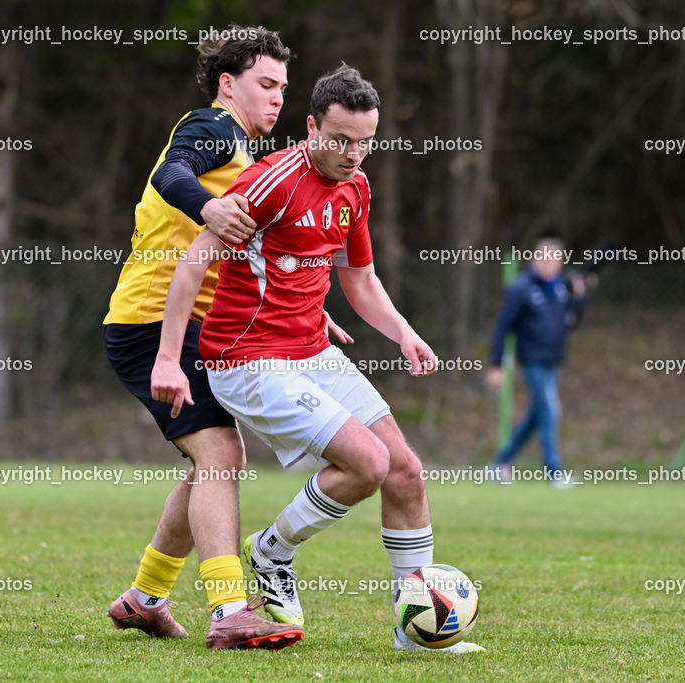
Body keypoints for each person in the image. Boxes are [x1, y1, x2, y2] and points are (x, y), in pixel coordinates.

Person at [151, 64, 483, 653]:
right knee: (368, 464)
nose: (352, 154)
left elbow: (360, 280)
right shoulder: (271, 181)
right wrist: (169, 360)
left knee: (405, 472)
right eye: (340, 140)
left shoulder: (356, 187)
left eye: (365, 142)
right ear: (311, 127)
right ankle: (272, 550)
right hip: (246, 359)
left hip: (311, 351)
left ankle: (416, 633)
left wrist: (404, 334)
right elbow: (194, 262)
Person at [103, 26, 310, 650]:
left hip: (190, 324)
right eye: (265, 84)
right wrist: (207, 206)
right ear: (228, 83)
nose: (276, 98)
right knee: (221, 454)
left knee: (213, 460)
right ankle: (229, 611)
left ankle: (144, 599)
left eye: (282, 87)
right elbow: (173, 172)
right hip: (152, 321)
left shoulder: (246, 157)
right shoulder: (214, 127)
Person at [486, 237, 588, 485]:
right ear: (536, 259)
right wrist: (496, 365)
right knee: (549, 412)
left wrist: (580, 298)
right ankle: (555, 473)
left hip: (554, 361)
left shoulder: (561, 288)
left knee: (537, 415)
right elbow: (502, 329)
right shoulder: (520, 289)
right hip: (531, 361)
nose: (551, 264)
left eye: (556, 260)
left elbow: (570, 323)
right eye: (546, 258)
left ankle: (499, 464)